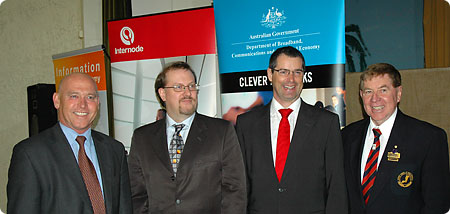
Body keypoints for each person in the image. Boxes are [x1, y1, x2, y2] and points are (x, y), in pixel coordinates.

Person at [235, 46, 348, 214]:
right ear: (269, 74)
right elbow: (239, 183)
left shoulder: (326, 122)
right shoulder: (246, 124)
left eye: (297, 72)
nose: (291, 79)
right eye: (283, 72)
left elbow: (336, 185)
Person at [128, 61, 246, 213]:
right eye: (179, 87)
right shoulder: (142, 138)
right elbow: (136, 195)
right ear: (163, 93)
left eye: (191, 86)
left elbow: (235, 191)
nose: (187, 92)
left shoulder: (221, 132)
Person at [7, 72, 132, 214]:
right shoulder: (30, 154)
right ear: (57, 100)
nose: (83, 105)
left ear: (98, 103)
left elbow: (124, 209)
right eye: (74, 96)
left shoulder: (115, 150)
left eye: (90, 97)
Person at [342, 63, 450, 214]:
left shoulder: (428, 138)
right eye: (368, 91)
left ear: (398, 93)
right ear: (361, 96)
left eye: (383, 90)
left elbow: (437, 205)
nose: (375, 99)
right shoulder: (346, 136)